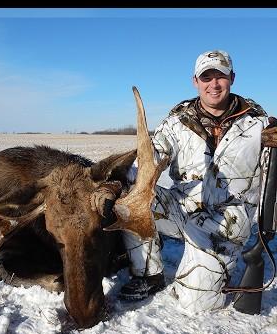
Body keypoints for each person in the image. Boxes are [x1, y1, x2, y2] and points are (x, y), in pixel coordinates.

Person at [111, 49, 277, 312]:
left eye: (220, 76)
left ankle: (209, 266)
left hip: (226, 222)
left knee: (195, 303)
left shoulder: (259, 125)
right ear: (195, 81)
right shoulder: (177, 122)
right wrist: (126, 174)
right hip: (182, 207)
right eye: (206, 77)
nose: (213, 84)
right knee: (131, 195)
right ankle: (149, 274)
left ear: (232, 78)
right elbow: (152, 155)